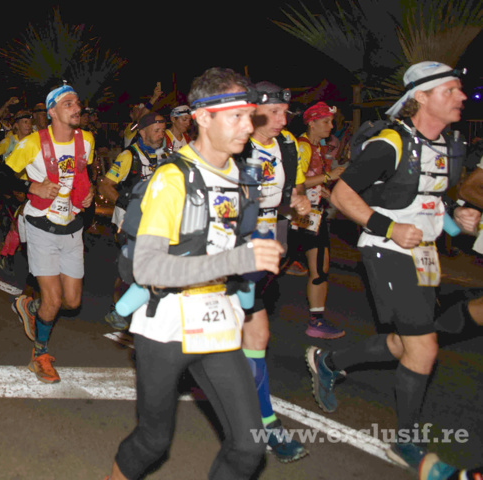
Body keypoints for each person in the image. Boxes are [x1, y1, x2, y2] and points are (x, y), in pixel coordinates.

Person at [106, 67, 282, 480]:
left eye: (250, 115)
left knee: (249, 444)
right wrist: (236, 262)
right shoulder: (173, 179)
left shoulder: (242, 176)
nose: (248, 125)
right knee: (153, 441)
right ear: (203, 117)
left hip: (217, 322)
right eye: (236, 116)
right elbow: (148, 268)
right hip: (165, 326)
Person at [309, 62, 481, 475]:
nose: (461, 96)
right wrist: (387, 227)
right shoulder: (390, 143)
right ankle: (405, 444)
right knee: (423, 347)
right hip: (385, 251)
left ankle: (329, 363)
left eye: (460, 90)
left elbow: (430, 202)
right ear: (420, 97)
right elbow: (342, 194)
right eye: (450, 90)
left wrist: (459, 219)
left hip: (423, 255)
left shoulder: (446, 146)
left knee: (405, 345)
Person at [237, 80, 312, 462]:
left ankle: (264, 424)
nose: (284, 119)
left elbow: (290, 194)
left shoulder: (288, 147)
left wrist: (296, 203)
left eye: (287, 111)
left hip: (267, 244)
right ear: (254, 110)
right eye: (276, 111)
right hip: (228, 245)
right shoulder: (234, 141)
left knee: (257, 334)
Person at [5, 83, 95, 384]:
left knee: (72, 302)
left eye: (77, 103)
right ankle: (39, 355)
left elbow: (82, 175)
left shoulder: (87, 140)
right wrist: (32, 186)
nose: (77, 108)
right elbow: (1, 175)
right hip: (41, 226)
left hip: (72, 227)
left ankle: (29, 306)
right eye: (68, 103)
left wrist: (88, 195)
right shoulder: (32, 143)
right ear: (52, 111)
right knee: (54, 301)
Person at [98, 112, 169, 330]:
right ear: (142, 132)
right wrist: (125, 201)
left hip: (154, 221)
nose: (160, 135)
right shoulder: (129, 156)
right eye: (156, 131)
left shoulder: (164, 155)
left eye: (162, 130)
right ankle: (117, 309)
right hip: (128, 221)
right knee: (131, 267)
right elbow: (105, 185)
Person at [291, 101, 347, 338]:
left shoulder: (320, 147)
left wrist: (325, 190)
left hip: (315, 215)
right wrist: (328, 176)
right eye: (325, 121)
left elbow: (315, 182)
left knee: (320, 269)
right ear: (311, 123)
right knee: (273, 267)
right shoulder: (301, 147)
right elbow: (297, 182)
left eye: (331, 122)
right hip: (296, 217)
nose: (330, 126)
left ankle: (317, 320)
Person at [0, 110, 34, 275]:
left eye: (29, 122)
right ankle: (5, 257)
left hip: (28, 187)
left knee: (18, 225)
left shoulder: (32, 141)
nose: (28, 125)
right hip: (10, 188)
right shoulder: (8, 141)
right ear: (16, 125)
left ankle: (4, 256)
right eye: (24, 122)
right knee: (16, 223)